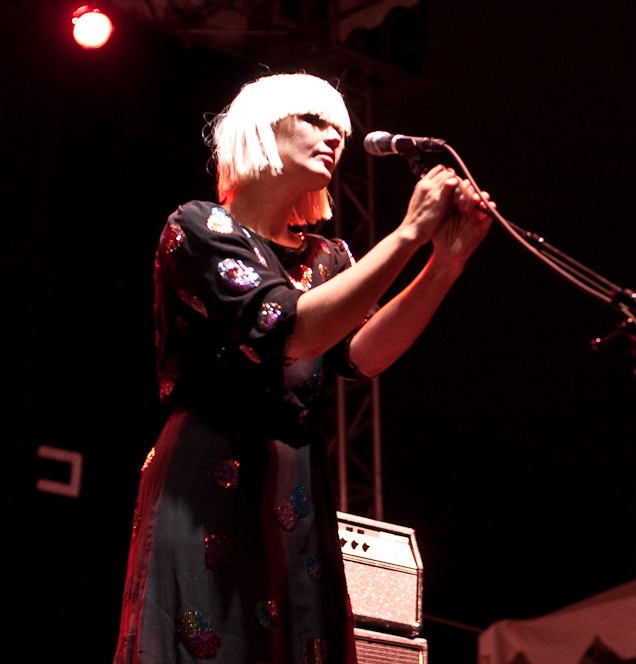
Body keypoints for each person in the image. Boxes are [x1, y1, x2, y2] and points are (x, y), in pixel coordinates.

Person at [113, 73, 492, 664]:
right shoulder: (196, 227)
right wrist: (410, 232)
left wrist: (444, 264)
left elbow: (362, 355)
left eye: (340, 128)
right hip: (210, 466)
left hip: (295, 476)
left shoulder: (327, 256)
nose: (334, 137)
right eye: (315, 121)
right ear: (263, 127)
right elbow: (292, 330)